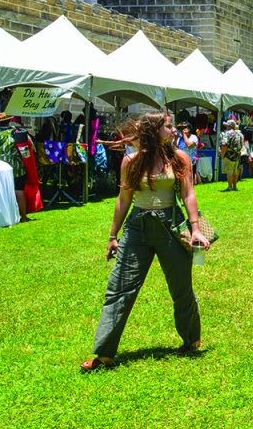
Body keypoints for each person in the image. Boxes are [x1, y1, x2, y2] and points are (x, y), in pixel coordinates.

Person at [81, 111, 210, 370]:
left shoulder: (179, 158)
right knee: (119, 288)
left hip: (170, 226)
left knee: (181, 287)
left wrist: (196, 229)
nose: (174, 131)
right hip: (137, 228)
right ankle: (104, 353)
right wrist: (112, 236)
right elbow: (123, 200)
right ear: (153, 130)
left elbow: (188, 194)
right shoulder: (131, 161)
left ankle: (191, 339)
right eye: (168, 126)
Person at [0, 112, 30, 221]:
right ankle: (24, 216)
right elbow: (27, 152)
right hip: (16, 168)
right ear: (8, 121)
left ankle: (1, 216)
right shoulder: (17, 133)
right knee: (19, 190)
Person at [219, 120, 243, 192]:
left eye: (226, 125)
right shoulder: (239, 134)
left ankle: (229, 187)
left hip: (229, 155)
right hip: (237, 155)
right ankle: (235, 187)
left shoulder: (227, 134)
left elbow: (224, 145)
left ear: (229, 126)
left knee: (229, 172)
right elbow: (242, 145)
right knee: (235, 172)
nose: (226, 126)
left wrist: (222, 155)